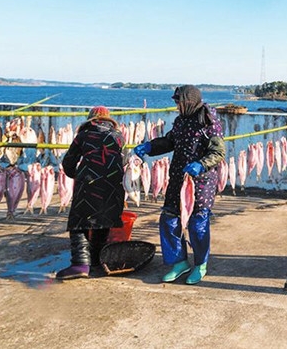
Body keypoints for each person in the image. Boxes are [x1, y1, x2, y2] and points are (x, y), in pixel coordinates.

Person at [134, 85, 225, 285]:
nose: (176, 106)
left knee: (197, 224)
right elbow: (170, 142)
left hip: (201, 181)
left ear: (188, 102)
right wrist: (150, 147)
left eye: (178, 102)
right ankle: (179, 262)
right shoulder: (180, 121)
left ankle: (200, 264)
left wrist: (201, 164)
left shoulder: (208, 122)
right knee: (169, 219)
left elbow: (218, 152)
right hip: (177, 178)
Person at [55, 106, 126, 280]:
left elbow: (68, 161)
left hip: (88, 183)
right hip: (113, 185)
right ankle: (96, 259)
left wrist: (75, 175)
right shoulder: (119, 137)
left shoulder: (83, 135)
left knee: (79, 223)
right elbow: (122, 160)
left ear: (90, 119)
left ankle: (80, 264)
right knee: (103, 220)